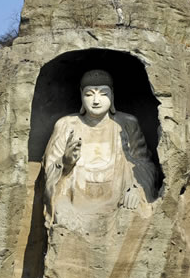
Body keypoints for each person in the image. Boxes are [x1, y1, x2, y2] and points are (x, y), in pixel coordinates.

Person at [42, 69, 157, 229]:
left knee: (134, 213)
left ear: (112, 96)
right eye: (89, 95)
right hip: (75, 198)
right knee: (62, 216)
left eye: (103, 94)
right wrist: (65, 162)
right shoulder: (66, 125)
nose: (96, 101)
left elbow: (144, 166)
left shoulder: (127, 124)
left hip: (118, 197)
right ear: (81, 95)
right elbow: (49, 171)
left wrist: (136, 189)